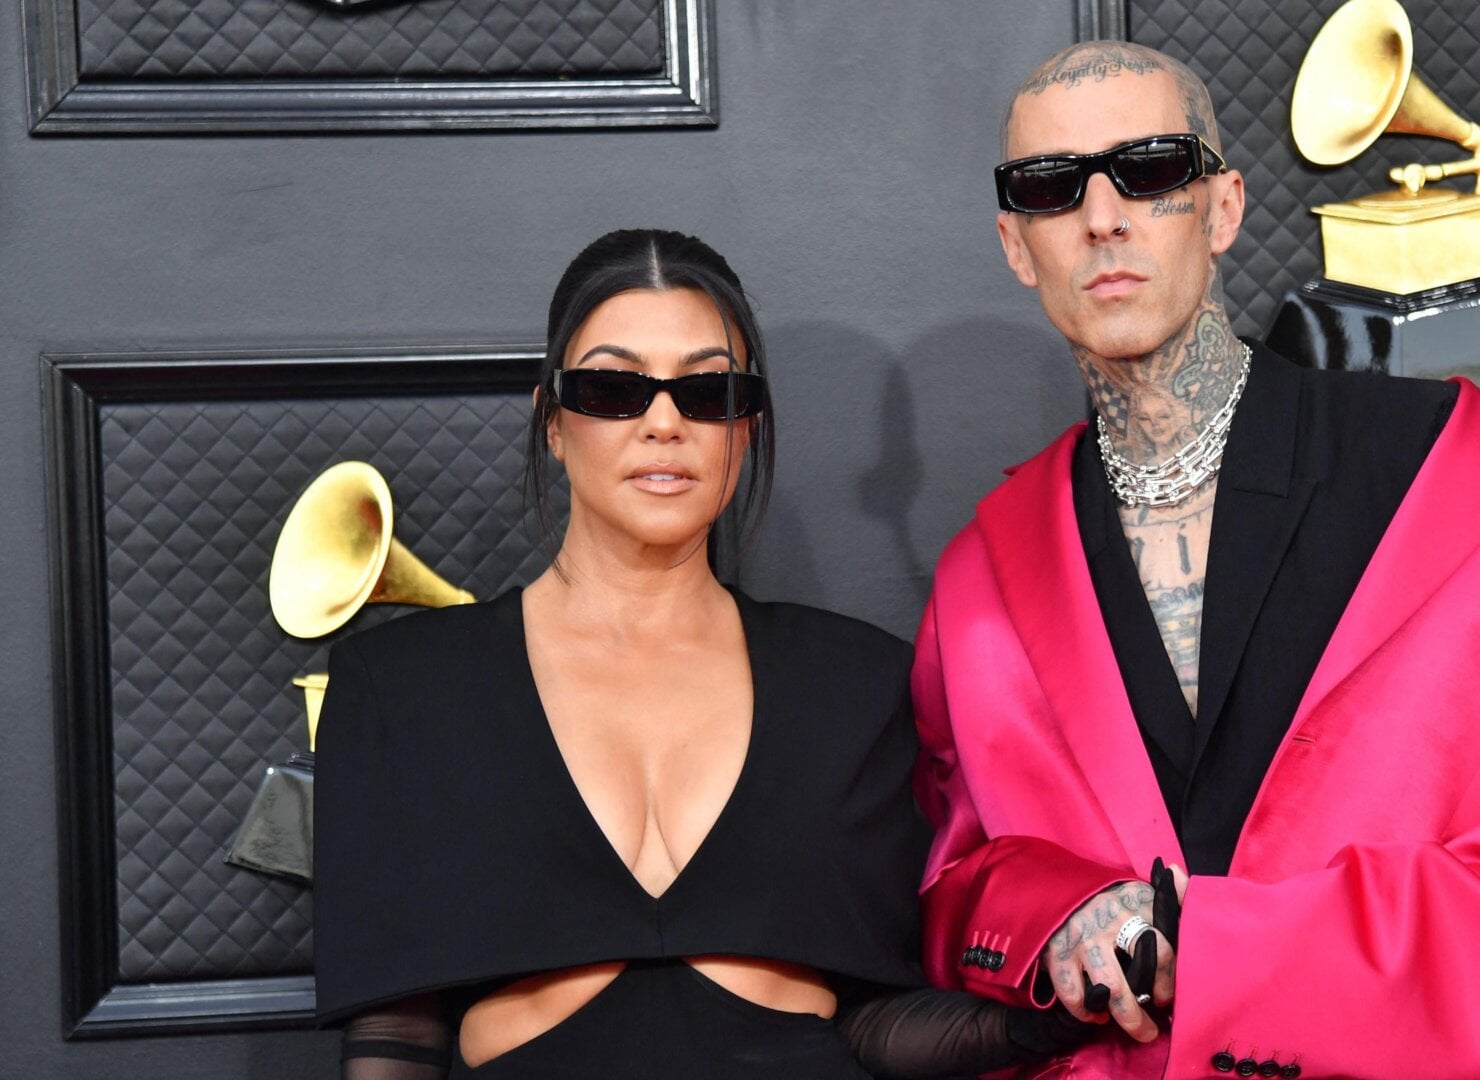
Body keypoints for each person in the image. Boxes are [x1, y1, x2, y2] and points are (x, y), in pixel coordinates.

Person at [910, 42, 1480, 1080]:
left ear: (1225, 208)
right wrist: (1060, 914)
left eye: (1150, 170)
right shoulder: (985, 571)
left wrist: (1265, 954)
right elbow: (956, 873)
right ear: (1017, 245)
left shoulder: (1452, 475)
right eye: (1051, 187)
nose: (1102, 218)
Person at [315, 228, 1089, 1079]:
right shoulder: (404, 691)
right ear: (553, 425)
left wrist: (1052, 1010)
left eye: (706, 390)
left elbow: (871, 1019)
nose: (663, 421)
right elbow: (393, 1043)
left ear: (745, 427)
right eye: (613, 387)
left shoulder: (855, 684)